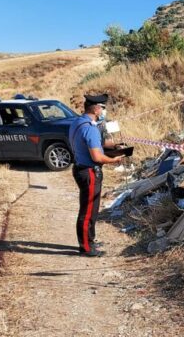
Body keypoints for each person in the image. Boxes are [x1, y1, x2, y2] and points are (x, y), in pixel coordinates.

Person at [69, 94, 123, 257]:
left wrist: (114, 145)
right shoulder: (90, 128)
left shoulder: (78, 122)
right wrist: (115, 159)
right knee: (88, 210)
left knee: (89, 208)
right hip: (89, 171)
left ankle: (89, 240)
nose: (104, 111)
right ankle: (86, 246)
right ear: (97, 109)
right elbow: (97, 157)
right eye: (103, 108)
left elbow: (96, 144)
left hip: (81, 168)